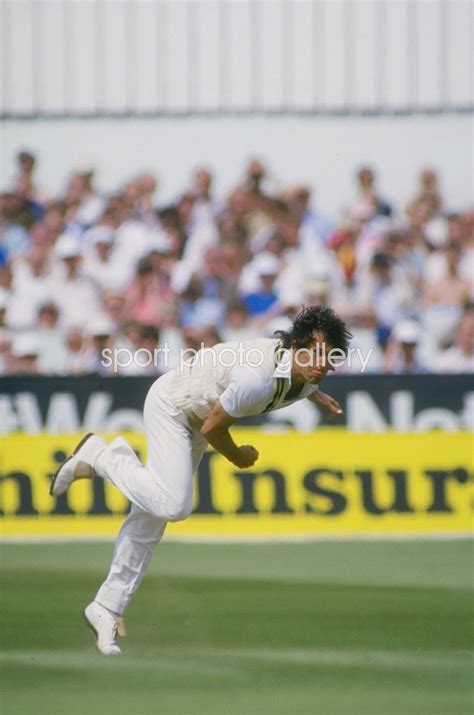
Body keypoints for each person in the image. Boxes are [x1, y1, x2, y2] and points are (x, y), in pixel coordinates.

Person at [50, 306, 350, 655]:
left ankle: (106, 607)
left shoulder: (304, 372)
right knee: (174, 505)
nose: (321, 364)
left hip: (195, 415)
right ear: (298, 346)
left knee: (151, 520)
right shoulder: (257, 379)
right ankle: (100, 455)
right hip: (173, 407)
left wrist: (315, 393)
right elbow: (213, 429)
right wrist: (239, 457)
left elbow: (296, 374)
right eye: (315, 354)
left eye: (329, 358)